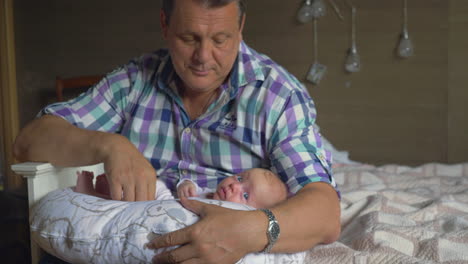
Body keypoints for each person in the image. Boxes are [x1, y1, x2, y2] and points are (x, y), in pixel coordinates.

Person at [13, 0, 341, 263]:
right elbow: (28, 142)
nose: (203, 57)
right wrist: (107, 145)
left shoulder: (278, 96)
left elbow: (325, 214)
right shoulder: (134, 82)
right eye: (189, 38)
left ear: (240, 28)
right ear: (164, 25)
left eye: (220, 39)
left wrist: (251, 230)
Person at [75, 168, 288, 209]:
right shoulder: (216, 193)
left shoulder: (231, 213)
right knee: (152, 185)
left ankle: (95, 194)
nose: (234, 185)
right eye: (240, 177)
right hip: (164, 203)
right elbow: (197, 189)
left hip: (164, 211)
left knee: (151, 189)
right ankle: (97, 193)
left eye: (245, 194)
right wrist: (186, 185)